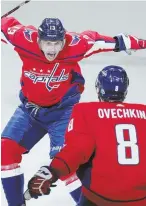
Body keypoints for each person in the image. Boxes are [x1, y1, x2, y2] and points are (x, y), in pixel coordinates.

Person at [1, 15, 146, 206]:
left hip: (62, 113)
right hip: (29, 111)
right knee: (6, 151)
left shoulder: (78, 44)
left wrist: (141, 43)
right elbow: (4, 25)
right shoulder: (22, 39)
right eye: (47, 43)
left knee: (67, 165)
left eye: (57, 44)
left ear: (64, 41)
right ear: (38, 40)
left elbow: (115, 42)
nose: (52, 49)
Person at [26, 65, 146, 206]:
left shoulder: (86, 111)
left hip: (99, 198)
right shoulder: (143, 112)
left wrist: (52, 171)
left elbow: (77, 150)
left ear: (99, 88)